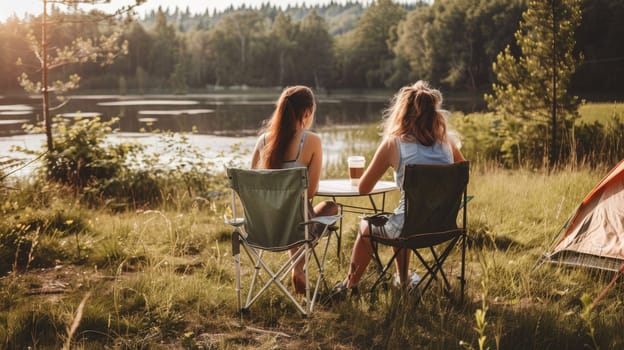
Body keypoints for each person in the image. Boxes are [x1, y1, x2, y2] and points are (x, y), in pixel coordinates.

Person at [336, 81, 465, 293]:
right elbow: (461, 175)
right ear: (434, 113)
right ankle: (403, 281)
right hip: (443, 226)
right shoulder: (447, 143)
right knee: (402, 218)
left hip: (410, 229)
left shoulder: (393, 143)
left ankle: (350, 285)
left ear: (402, 112)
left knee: (367, 227)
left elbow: (364, 188)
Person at [251, 85, 338, 294]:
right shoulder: (313, 141)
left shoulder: (263, 141)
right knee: (330, 207)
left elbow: (252, 183)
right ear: (307, 113)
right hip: (297, 228)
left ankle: (296, 267)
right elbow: (311, 192)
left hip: (265, 227)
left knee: (293, 213)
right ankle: (298, 268)